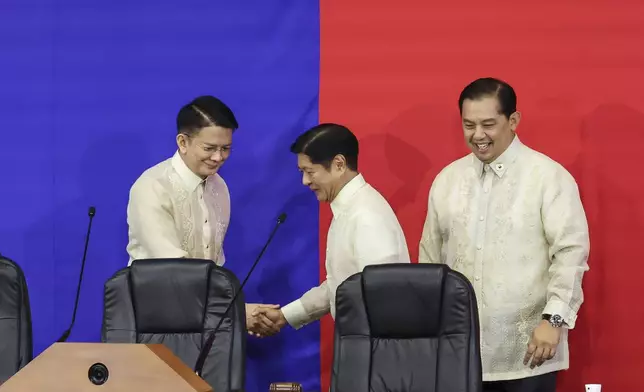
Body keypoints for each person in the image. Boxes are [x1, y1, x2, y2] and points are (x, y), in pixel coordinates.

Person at [418, 77, 590, 392]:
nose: (478, 135)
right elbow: (429, 259)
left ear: (513, 121)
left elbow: (571, 253)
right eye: (468, 125)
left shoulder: (547, 177)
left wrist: (553, 321)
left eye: (488, 124)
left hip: (528, 351)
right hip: (458, 351)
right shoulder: (447, 180)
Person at [126, 95, 277, 335]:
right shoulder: (152, 187)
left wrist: (231, 312)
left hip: (206, 321)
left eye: (226, 148)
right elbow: (174, 269)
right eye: (209, 148)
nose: (218, 157)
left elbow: (214, 265)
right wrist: (236, 312)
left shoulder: (219, 187)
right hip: (154, 321)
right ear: (183, 142)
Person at [252, 123, 411, 334]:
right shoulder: (350, 208)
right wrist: (285, 316)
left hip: (373, 346)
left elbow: (382, 297)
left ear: (339, 164)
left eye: (310, 172)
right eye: (302, 172)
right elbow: (338, 285)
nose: (305, 181)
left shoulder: (366, 216)